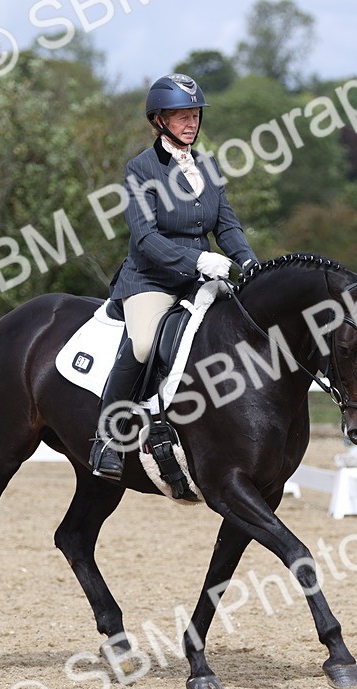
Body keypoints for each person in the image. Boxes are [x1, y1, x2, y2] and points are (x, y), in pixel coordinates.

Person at [89, 73, 258, 481]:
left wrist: (249, 262)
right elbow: (145, 237)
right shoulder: (141, 169)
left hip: (201, 279)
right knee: (144, 344)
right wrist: (199, 262)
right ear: (159, 121)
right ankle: (106, 439)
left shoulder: (208, 166)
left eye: (195, 115)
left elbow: (227, 225)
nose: (191, 123)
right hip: (152, 279)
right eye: (181, 115)